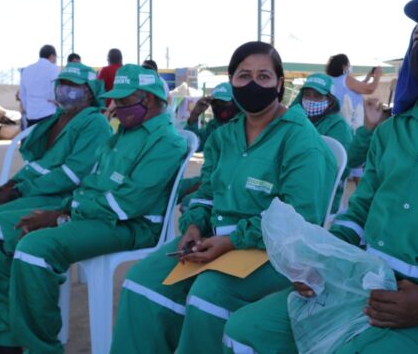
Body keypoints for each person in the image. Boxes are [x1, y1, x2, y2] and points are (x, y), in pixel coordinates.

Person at [222, 0, 418, 354]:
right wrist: (321, 259)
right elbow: (359, 211)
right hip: (362, 284)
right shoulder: (392, 132)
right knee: (244, 331)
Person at [110, 41, 337, 354]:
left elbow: (299, 216)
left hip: (272, 251)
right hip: (213, 240)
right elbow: (207, 193)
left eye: (264, 76)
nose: (253, 84)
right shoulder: (224, 135)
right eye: (244, 76)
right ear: (232, 82)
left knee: (209, 294)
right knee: (142, 280)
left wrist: (232, 241)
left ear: (279, 84)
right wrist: (193, 226)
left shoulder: (300, 138)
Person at [0, 64, 186, 353]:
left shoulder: (166, 141)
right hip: (96, 215)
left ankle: (40, 348)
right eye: (116, 99)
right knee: (2, 229)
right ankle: (2, 338)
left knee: (34, 249)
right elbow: (92, 185)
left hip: (132, 225)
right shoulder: (124, 134)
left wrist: (63, 215)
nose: (116, 107)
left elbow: (126, 204)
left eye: (124, 100)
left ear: (149, 99)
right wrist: (65, 209)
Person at [0, 63, 110, 221]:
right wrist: (9, 185)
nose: (65, 89)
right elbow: (40, 165)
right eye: (62, 83)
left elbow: (71, 176)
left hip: (61, 197)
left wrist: (18, 191)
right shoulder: (57, 119)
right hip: (37, 190)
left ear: (89, 91)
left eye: (73, 85)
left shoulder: (95, 123)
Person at [292, 72, 354, 215]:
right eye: (307, 95)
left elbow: (339, 168)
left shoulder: (338, 126)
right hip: (294, 183)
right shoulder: (296, 119)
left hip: (321, 192)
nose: (311, 100)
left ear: (330, 99)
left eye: (317, 96)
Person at [177, 82, 239, 211]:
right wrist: (195, 115)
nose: (219, 107)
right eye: (215, 103)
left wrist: (204, 185)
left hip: (227, 183)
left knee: (189, 203)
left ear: (235, 102)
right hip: (206, 179)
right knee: (169, 188)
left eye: (224, 102)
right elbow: (193, 145)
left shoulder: (242, 126)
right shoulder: (214, 125)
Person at [326, 53, 383, 131]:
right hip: (352, 122)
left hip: (337, 120)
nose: (350, 67)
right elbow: (370, 89)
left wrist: (367, 79)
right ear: (344, 66)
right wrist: (378, 75)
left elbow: (353, 89)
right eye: (348, 65)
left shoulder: (330, 80)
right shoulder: (346, 79)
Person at [19, 44, 60, 127]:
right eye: (56, 58)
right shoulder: (53, 68)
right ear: (52, 56)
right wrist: (57, 101)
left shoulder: (26, 70)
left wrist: (28, 110)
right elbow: (55, 90)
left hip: (31, 116)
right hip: (49, 115)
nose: (56, 60)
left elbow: (22, 94)